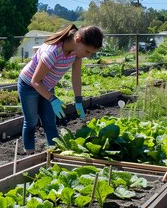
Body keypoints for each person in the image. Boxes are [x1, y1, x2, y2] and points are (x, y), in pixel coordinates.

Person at [18, 24, 103, 153]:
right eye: (88, 51)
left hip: (46, 86)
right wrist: (52, 99)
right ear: (78, 40)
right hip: (29, 86)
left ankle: (55, 155)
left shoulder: (76, 53)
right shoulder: (52, 53)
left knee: (50, 122)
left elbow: (76, 77)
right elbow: (35, 81)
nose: (88, 55)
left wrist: (78, 100)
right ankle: (29, 155)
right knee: (31, 122)